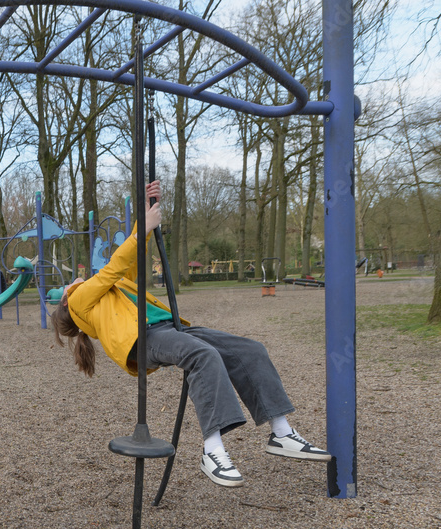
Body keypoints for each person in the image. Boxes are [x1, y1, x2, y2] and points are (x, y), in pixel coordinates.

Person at [51, 181, 329, 488]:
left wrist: (143, 213)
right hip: (142, 339)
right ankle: (212, 450)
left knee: (250, 350)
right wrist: (144, 227)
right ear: (66, 300)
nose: (71, 281)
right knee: (203, 355)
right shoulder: (79, 301)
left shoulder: (111, 292)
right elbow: (113, 267)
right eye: (65, 286)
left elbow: (130, 260)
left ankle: (281, 431)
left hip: (170, 327)